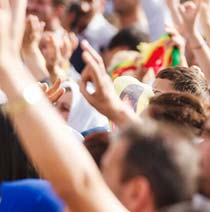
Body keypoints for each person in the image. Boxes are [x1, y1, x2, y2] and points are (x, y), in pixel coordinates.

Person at [0, 2, 201, 211]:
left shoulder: (36, 196)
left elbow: (79, 183)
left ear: (137, 192)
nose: (97, 174)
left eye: (104, 168)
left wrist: (8, 64)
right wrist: (114, 110)